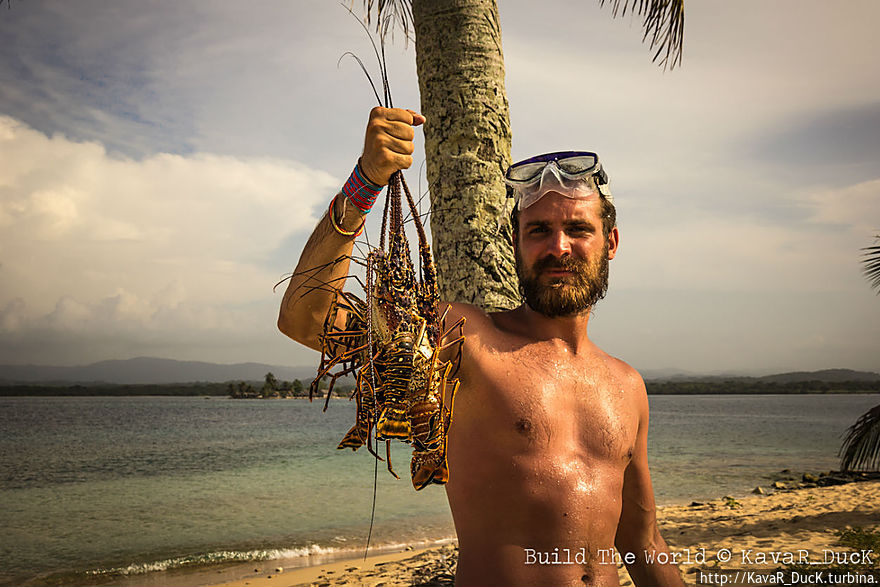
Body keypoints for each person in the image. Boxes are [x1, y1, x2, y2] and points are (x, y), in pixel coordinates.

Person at [278, 107, 685, 586]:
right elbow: (306, 318)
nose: (559, 246)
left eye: (578, 229)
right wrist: (365, 181)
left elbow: (642, 544)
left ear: (610, 242)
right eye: (537, 230)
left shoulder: (627, 385)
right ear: (514, 244)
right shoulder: (466, 340)